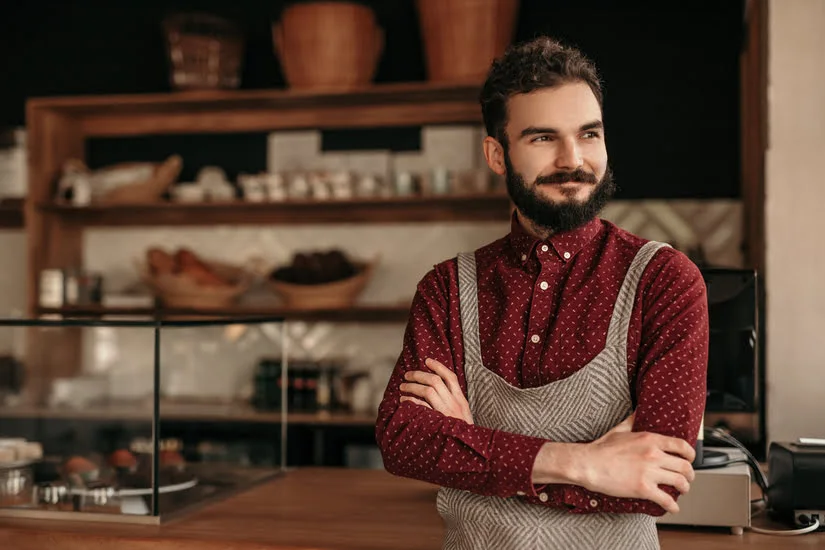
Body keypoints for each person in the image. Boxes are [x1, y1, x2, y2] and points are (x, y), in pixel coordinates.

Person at [375, 36, 709, 550]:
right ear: (497, 154)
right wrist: (585, 463)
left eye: (589, 134)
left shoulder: (665, 280)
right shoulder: (446, 287)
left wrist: (471, 447)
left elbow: (653, 485)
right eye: (542, 138)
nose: (573, 159)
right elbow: (404, 441)